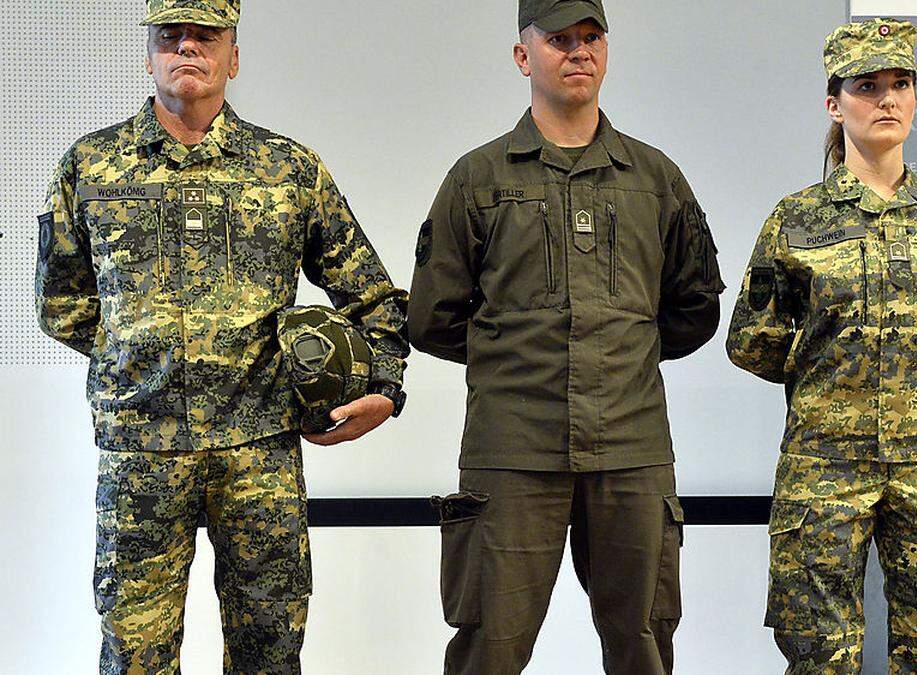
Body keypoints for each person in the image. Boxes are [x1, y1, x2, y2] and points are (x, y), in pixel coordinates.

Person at [34, 1, 409, 671]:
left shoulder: (287, 171)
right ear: (149, 52)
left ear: (233, 57)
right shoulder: (89, 168)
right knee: (134, 658)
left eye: (204, 35)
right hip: (141, 457)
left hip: (258, 454)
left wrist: (384, 387)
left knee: (269, 652)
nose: (187, 47)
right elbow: (62, 304)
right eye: (170, 35)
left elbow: (374, 297)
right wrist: (141, 359)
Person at [408, 1, 724, 672]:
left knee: (643, 643)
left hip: (631, 448)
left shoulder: (655, 179)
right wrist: (513, 356)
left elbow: (695, 306)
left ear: (605, 52)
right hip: (511, 449)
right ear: (524, 57)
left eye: (591, 38)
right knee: (487, 647)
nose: (578, 52)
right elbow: (432, 314)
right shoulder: (478, 178)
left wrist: (621, 354)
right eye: (558, 40)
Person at [726, 17, 917, 674]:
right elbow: (753, 342)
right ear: (834, 103)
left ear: (916, 97)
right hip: (823, 468)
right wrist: (837, 385)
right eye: (867, 86)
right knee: (819, 655)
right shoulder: (796, 220)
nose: (886, 99)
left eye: (900, 83)